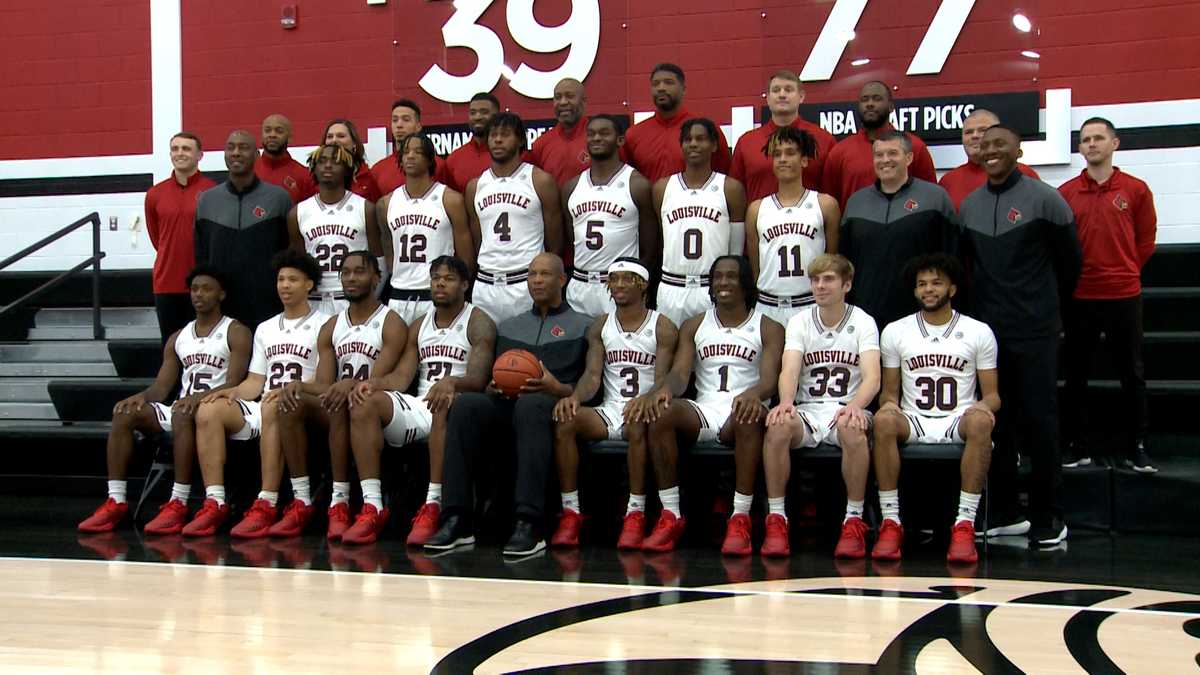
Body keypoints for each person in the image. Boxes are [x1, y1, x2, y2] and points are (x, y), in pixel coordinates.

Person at [959, 124, 1081, 547]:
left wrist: (1044, 310)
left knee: (1040, 422)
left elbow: (1070, 266)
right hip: (988, 335)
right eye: (984, 145)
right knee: (997, 423)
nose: (990, 151)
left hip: (1035, 330)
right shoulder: (969, 206)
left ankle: (1051, 515)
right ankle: (1007, 513)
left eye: (1000, 145)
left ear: (1018, 151)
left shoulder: (1045, 198)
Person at [425, 253, 591, 557]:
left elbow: (591, 386)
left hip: (554, 407)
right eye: (531, 275)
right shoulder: (510, 326)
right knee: (466, 406)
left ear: (562, 280)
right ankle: (456, 518)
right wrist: (492, 387)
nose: (537, 281)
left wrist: (560, 389)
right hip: (509, 404)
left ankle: (529, 523)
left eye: (545, 274)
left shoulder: (583, 325)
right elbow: (496, 376)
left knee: (531, 406)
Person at [629, 255, 784, 555]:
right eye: (717, 277)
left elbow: (770, 381)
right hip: (706, 408)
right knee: (661, 413)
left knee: (747, 417)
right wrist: (664, 392)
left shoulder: (768, 326)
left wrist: (754, 393)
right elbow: (679, 374)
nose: (723, 282)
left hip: (744, 409)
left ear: (746, 283)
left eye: (731, 276)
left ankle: (740, 517)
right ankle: (671, 514)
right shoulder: (695, 325)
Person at [78, 267, 251, 534]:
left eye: (206, 288)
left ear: (221, 294)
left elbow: (235, 383)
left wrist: (199, 398)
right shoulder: (178, 337)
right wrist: (141, 397)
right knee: (125, 414)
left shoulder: (236, 330)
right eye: (194, 289)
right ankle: (117, 500)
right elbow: (161, 387)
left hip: (215, 410)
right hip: (183, 407)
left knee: (183, 412)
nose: (199, 294)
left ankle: (178, 501)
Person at [254, 251, 405, 540]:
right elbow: (324, 384)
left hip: (370, 405)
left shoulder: (390, 321)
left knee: (350, 400)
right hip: (338, 403)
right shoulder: (332, 326)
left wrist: (346, 385)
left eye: (359, 272)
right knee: (290, 401)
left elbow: (375, 383)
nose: (350, 278)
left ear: (376, 278)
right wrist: (299, 386)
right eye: (345, 272)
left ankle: (343, 501)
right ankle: (302, 500)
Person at [348, 255, 496, 545]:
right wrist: (371, 384)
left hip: (458, 406)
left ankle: (433, 504)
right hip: (421, 404)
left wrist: (452, 382)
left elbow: (478, 380)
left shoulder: (478, 322)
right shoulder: (419, 325)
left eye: (449, 278)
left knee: (443, 403)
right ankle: (372, 505)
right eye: (436, 278)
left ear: (465, 285)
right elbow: (402, 378)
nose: (440, 283)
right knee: (365, 402)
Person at [182, 249, 329, 537]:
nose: (285, 285)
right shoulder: (265, 328)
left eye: (293, 280)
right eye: (281, 280)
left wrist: (291, 390)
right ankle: (215, 502)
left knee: (274, 404)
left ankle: (267, 502)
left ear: (309, 285)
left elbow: (324, 379)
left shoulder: (326, 323)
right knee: (210, 409)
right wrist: (231, 392)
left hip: (304, 404)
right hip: (267, 401)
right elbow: (254, 382)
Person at [872, 254, 1000, 564]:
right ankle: (891, 523)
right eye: (922, 284)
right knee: (883, 421)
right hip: (914, 418)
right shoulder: (895, 331)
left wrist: (981, 408)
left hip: (958, 418)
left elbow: (994, 396)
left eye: (936, 283)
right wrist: (889, 409)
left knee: (983, 421)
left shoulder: (978, 331)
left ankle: (965, 525)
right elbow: (889, 393)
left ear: (952, 289)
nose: (928, 290)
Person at [550, 259, 678, 549]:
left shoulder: (662, 326)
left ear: (643, 284)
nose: (618, 285)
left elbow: (662, 380)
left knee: (636, 425)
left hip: (645, 409)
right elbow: (592, 377)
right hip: (610, 409)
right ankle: (571, 512)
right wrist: (574, 397)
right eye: (614, 279)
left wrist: (646, 399)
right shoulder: (601, 325)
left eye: (627, 279)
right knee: (565, 421)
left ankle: (635, 513)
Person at [761, 254, 879, 558]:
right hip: (810, 409)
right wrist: (786, 402)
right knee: (777, 425)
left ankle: (853, 520)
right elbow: (789, 369)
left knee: (852, 428)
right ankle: (776, 519)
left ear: (846, 284)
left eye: (828, 279)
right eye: (815, 280)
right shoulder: (800, 321)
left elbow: (872, 378)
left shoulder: (863, 321)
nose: (820, 286)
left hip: (846, 406)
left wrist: (855, 405)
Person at [1058, 117, 1157, 471]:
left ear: (1114, 143)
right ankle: (1077, 445)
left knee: (1132, 373)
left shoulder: (1136, 189)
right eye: (1085, 140)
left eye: (1098, 138)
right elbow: (1061, 248)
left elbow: (1145, 241)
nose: (1091, 144)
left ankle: (1137, 445)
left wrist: (1124, 270)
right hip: (1080, 296)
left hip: (1123, 294)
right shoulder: (1066, 192)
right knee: (1076, 376)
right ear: (1080, 147)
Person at [840, 131, 958, 328]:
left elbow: (953, 258)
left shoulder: (935, 198)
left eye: (893, 153)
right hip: (866, 317)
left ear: (909, 158)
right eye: (879, 155)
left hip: (921, 316)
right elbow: (846, 263)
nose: (885, 160)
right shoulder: (855, 203)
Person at [466, 112, 564, 324]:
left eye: (505, 134)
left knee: (528, 354)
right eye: (493, 135)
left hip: (525, 282)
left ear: (520, 139)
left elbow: (555, 241)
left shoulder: (539, 180)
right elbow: (477, 240)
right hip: (486, 284)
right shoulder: (475, 186)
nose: (498, 140)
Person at [653, 118, 747, 327]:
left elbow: (735, 251)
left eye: (701, 139)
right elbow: (663, 239)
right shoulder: (663, 188)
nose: (693, 144)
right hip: (672, 286)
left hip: (712, 287)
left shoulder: (730, 188)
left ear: (714, 145)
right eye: (688, 139)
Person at [194, 129, 292, 328]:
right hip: (222, 309)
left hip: (267, 307)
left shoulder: (278, 198)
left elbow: (288, 252)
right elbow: (201, 256)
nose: (236, 152)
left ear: (257, 155)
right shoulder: (206, 200)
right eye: (230, 148)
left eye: (243, 147)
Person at [561, 115, 658, 317]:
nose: (597, 138)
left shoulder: (637, 184)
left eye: (604, 133)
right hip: (580, 285)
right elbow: (572, 239)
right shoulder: (571, 187)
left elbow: (650, 249)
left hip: (619, 285)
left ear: (620, 140)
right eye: (591, 134)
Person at [745, 126, 840, 326]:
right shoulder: (757, 209)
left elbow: (832, 260)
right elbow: (756, 269)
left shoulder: (825, 204)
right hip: (768, 305)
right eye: (777, 154)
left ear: (804, 160)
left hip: (811, 303)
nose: (783, 159)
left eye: (790, 153)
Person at [379, 133, 472, 325]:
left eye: (418, 152)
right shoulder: (386, 203)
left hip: (436, 296)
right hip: (398, 295)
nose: (410, 156)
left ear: (430, 159)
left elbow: (466, 257)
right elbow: (388, 251)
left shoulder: (450, 199)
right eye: (406, 152)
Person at [288, 143, 381, 316]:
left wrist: (371, 296)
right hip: (313, 300)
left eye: (335, 162)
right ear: (314, 169)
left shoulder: (365, 209)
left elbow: (379, 259)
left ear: (347, 169)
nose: (328, 165)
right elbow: (298, 264)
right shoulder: (298, 213)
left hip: (351, 299)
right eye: (322, 161)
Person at [145, 131, 216, 343]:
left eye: (186, 149)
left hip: (202, 282)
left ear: (200, 155)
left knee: (204, 345)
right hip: (167, 283)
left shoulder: (212, 191)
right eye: (175, 149)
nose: (180, 153)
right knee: (171, 346)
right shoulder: (155, 194)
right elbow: (157, 238)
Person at [822, 81, 936, 210]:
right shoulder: (839, 152)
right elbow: (829, 205)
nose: (870, 104)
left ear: (891, 106)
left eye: (877, 99)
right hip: (856, 228)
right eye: (864, 100)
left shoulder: (914, 146)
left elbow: (930, 198)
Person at [731, 70, 836, 200]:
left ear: (801, 96)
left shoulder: (823, 140)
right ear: (768, 98)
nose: (782, 94)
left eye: (788, 89)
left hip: (811, 219)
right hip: (759, 219)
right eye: (776, 90)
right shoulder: (746, 143)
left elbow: (833, 192)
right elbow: (735, 194)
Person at [624, 63, 732, 184]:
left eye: (668, 82)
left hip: (696, 202)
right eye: (655, 84)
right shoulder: (634, 134)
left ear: (684, 89)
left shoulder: (706, 130)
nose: (661, 88)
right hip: (647, 203)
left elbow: (724, 176)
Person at [938, 108, 1039, 210]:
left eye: (983, 130)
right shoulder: (948, 181)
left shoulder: (1024, 174)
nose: (975, 136)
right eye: (968, 132)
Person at [529, 78, 591, 186]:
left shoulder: (598, 140)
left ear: (584, 101)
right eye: (558, 97)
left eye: (570, 96)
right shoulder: (540, 144)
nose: (563, 102)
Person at [438, 92, 501, 193]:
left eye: (484, 112)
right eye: (472, 113)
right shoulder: (454, 159)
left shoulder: (511, 155)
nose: (477, 117)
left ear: (498, 115)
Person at [371, 99, 435, 195]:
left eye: (406, 119)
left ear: (418, 126)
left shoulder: (438, 165)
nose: (399, 125)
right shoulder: (378, 170)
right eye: (395, 120)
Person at [255, 114, 316, 205]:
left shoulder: (305, 177)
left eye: (279, 131)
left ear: (290, 138)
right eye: (267, 130)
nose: (272, 135)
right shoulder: (249, 171)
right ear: (261, 136)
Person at [323, 118, 381, 203]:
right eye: (330, 136)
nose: (334, 140)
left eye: (341, 136)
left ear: (354, 143)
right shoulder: (316, 176)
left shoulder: (367, 178)